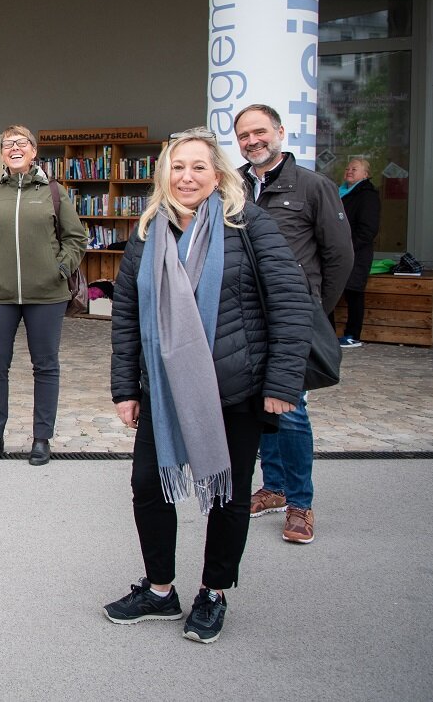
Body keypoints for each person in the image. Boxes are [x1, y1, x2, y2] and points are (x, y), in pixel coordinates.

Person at [103, 128, 310, 644]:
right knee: (149, 488)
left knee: (227, 495)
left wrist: (283, 381)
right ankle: (159, 590)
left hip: (235, 388)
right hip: (163, 391)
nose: (187, 176)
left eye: (198, 167)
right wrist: (126, 387)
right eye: (178, 167)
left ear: (217, 174)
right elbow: (127, 314)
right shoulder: (149, 231)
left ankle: (213, 592)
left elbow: (290, 301)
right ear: (164, 176)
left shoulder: (248, 224)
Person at [233, 104, 353, 546]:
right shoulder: (235, 186)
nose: (252, 141)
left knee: (293, 409)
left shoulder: (313, 187)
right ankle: (275, 486)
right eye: (244, 135)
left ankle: (301, 503)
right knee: (259, 406)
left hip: (292, 319)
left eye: (259, 132)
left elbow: (340, 256)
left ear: (280, 132)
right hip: (247, 317)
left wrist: (312, 309)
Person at [0, 124, 86, 466]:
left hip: (46, 296)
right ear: (2, 154)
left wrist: (59, 269)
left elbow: (76, 238)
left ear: (33, 151)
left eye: (21, 143)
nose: (14, 148)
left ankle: (42, 438)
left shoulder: (54, 193)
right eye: (7, 144)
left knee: (45, 366)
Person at [338, 157, 382, 347]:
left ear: (366, 174)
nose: (349, 171)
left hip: (357, 253)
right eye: (347, 168)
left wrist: (348, 248)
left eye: (354, 169)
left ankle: (352, 335)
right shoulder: (339, 192)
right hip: (337, 252)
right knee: (330, 290)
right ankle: (328, 335)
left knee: (353, 293)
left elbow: (367, 230)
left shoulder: (367, 195)